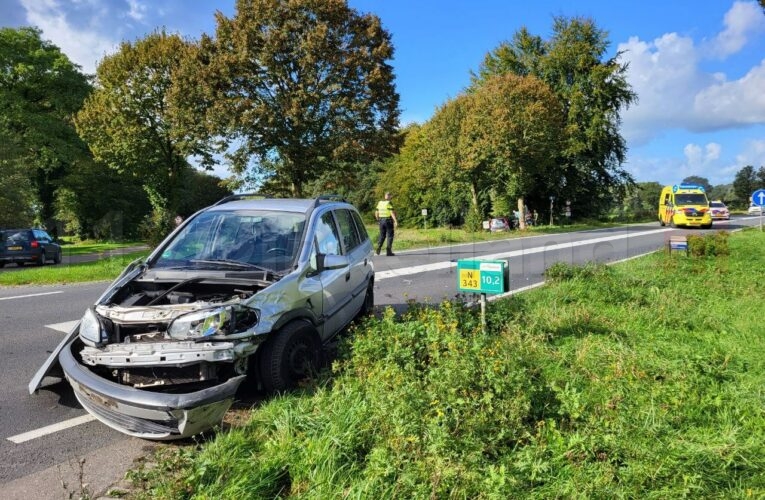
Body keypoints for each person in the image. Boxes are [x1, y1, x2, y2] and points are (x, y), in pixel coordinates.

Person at [374, 192, 398, 256]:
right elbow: (391, 213)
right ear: (389, 196)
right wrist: (395, 221)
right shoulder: (389, 203)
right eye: (390, 195)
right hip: (388, 221)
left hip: (381, 221)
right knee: (390, 236)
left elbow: (376, 212)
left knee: (382, 235)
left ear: (385, 196)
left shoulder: (380, 203)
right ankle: (388, 251)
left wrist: (378, 220)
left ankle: (379, 246)